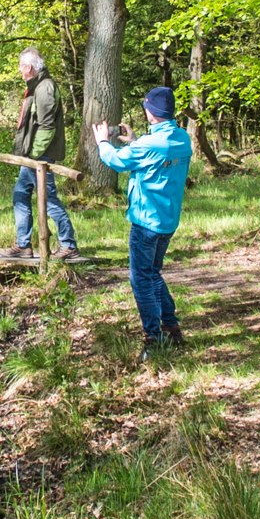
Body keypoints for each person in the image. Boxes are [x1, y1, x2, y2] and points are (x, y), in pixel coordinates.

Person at [94, 87, 193, 360]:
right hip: (168, 220)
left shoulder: (150, 145)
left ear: (150, 112)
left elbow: (115, 160)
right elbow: (155, 158)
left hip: (146, 222)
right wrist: (135, 140)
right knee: (153, 273)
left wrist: (103, 141)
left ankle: (153, 338)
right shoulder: (182, 139)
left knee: (141, 279)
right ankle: (171, 326)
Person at [8, 48, 77, 259]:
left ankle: (69, 245)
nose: (20, 71)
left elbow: (46, 126)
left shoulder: (45, 87)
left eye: (21, 66)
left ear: (29, 67)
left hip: (39, 157)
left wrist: (34, 156)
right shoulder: (37, 86)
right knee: (20, 196)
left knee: (48, 200)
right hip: (32, 156)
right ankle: (24, 245)